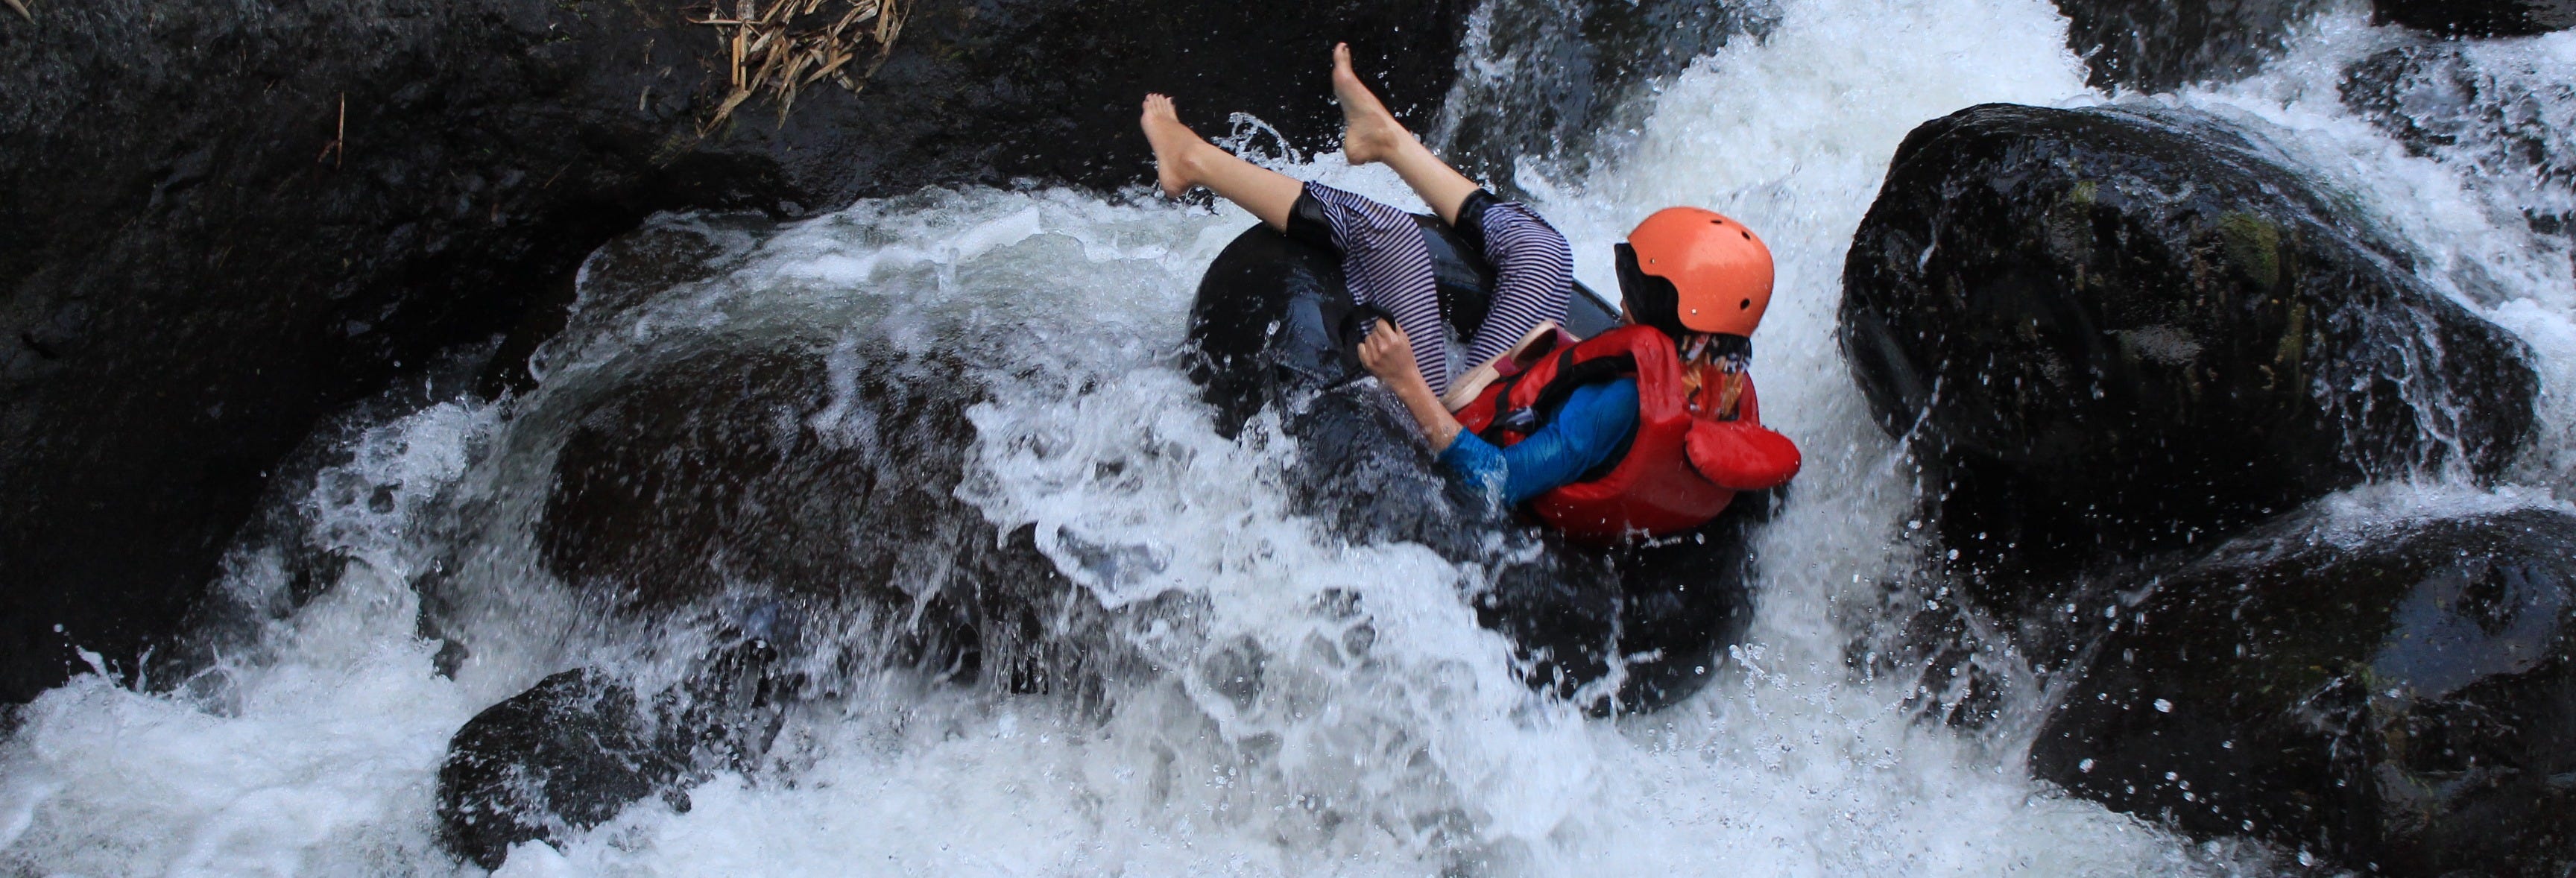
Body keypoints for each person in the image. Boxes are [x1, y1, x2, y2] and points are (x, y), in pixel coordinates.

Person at [1141, 44, 1799, 542]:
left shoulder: (1612, 406)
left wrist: (1407, 384)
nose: (1623, 292)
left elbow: (1494, 482)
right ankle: (1388, 141)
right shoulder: (1721, 379)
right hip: (1512, 392)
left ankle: (1193, 161)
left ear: (1676, 311)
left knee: (1387, 234)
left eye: (1637, 284)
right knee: (1544, 250)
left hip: (1458, 422)